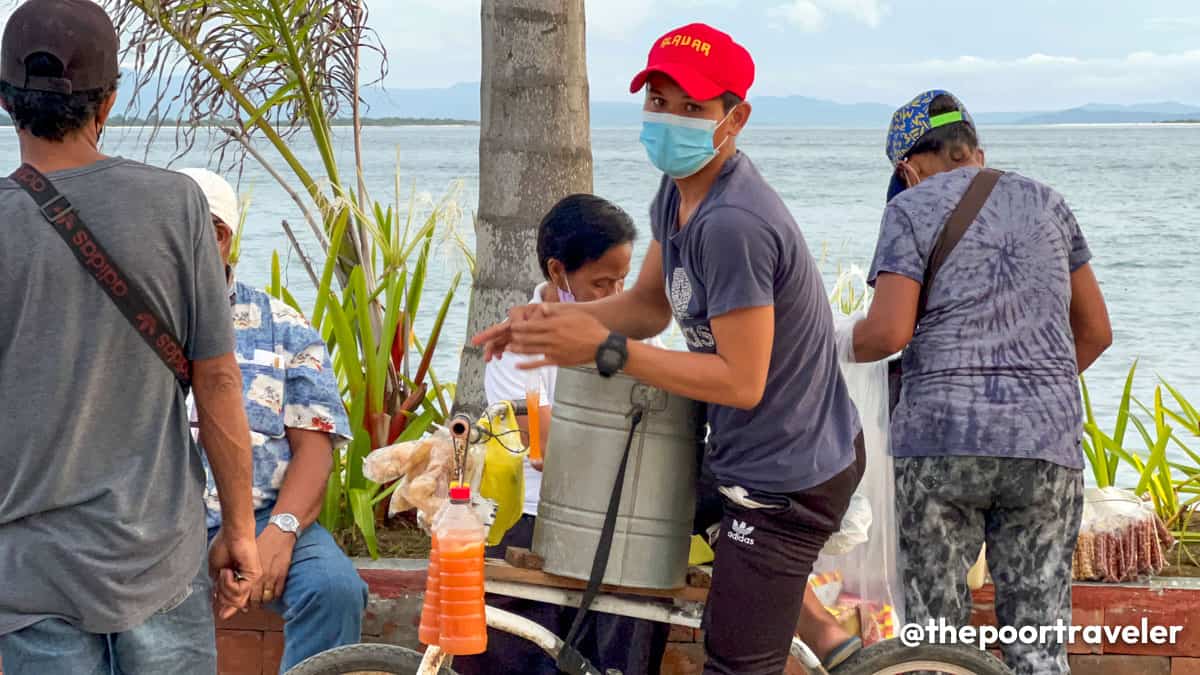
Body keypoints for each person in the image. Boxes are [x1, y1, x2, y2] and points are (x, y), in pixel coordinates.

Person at [474, 23, 864, 675]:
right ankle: (829, 636)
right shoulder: (680, 193)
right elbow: (648, 306)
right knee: (617, 508)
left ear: (734, 118)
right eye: (659, 101)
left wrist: (605, 346)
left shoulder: (733, 223)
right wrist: (548, 326)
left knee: (736, 660)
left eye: (693, 108)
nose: (670, 120)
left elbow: (742, 379)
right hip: (739, 452)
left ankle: (820, 635)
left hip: (787, 476)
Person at [0, 2, 260, 674]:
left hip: (29, 580)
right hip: (159, 566)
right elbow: (219, 381)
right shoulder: (176, 205)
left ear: (6, 101)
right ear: (109, 101)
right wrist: (239, 530)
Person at [842, 90, 1112, 674]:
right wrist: (1032, 394)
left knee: (938, 642)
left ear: (907, 168)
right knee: (1038, 644)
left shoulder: (909, 208)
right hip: (1046, 447)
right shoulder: (1051, 203)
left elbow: (887, 333)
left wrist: (833, 344)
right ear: (976, 151)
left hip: (941, 446)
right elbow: (1095, 332)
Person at [456, 193, 671, 675]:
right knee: (513, 642)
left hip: (619, 513)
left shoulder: (640, 331)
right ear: (558, 273)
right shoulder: (517, 346)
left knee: (628, 635)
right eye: (601, 283)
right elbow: (546, 449)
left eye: (623, 279)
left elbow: (661, 427)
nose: (616, 293)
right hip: (536, 511)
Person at [178, 168, 369, 673]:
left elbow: (315, 447)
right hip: (162, 525)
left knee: (333, 588)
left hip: (265, 514)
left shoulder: (283, 327)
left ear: (220, 237)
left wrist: (279, 533)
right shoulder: (134, 325)